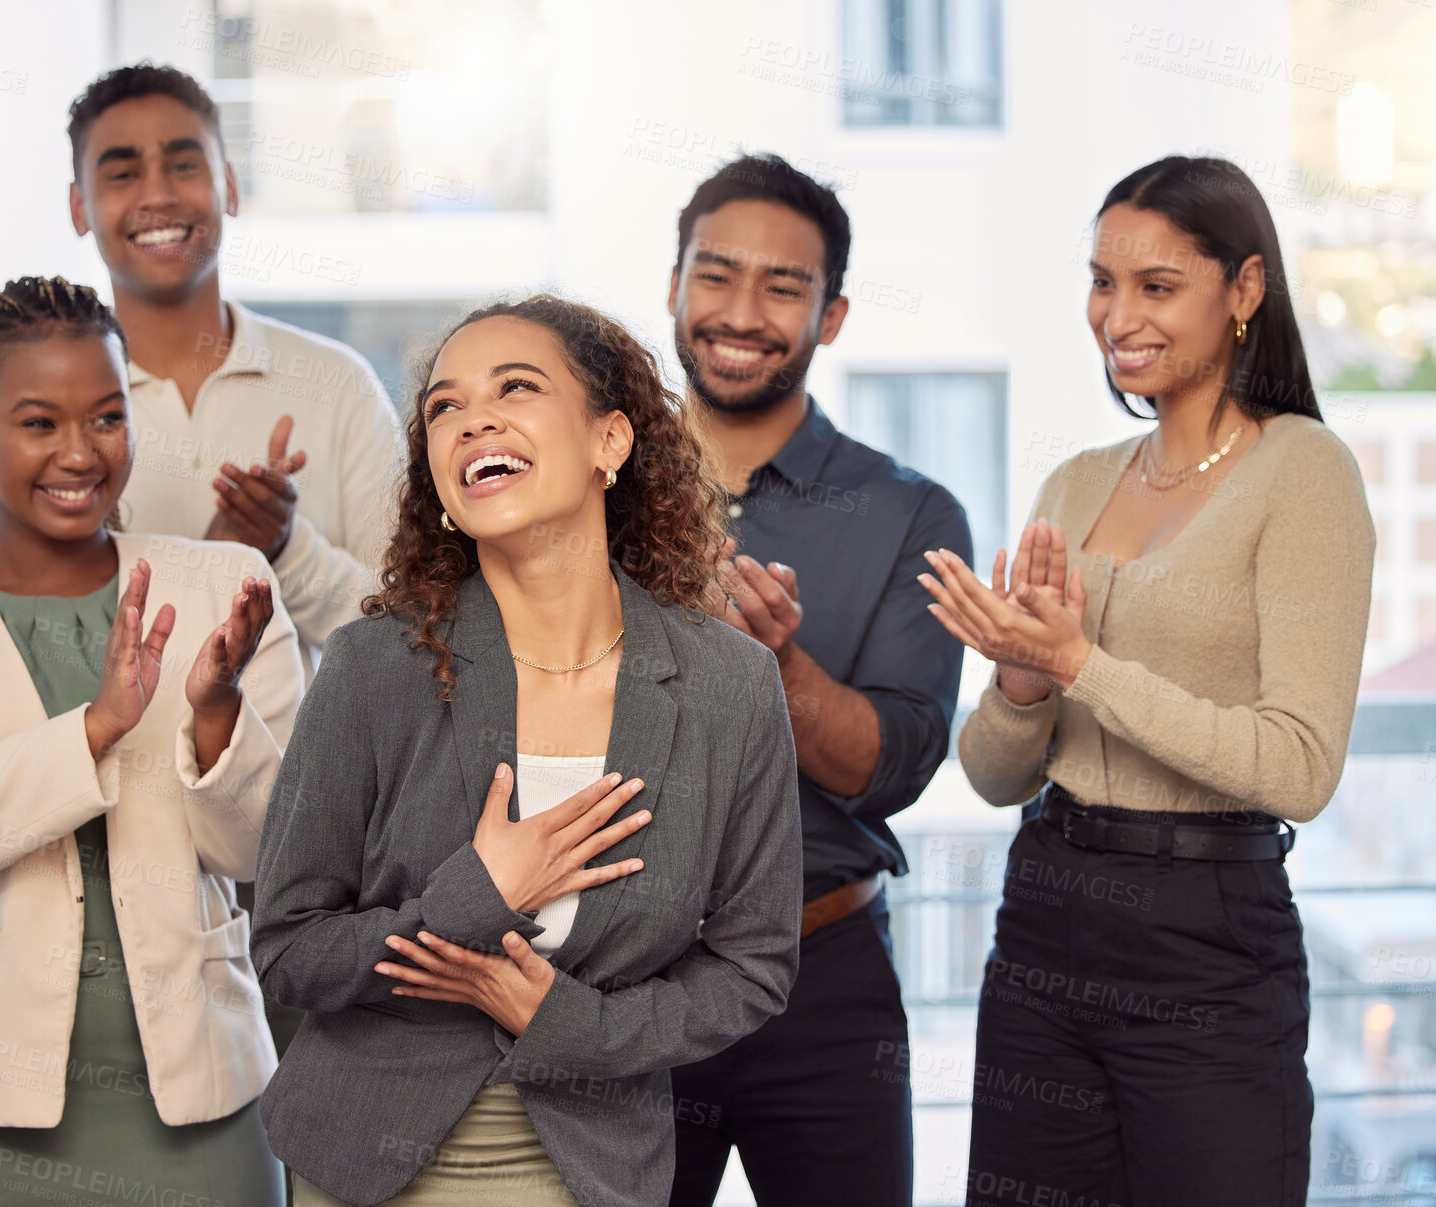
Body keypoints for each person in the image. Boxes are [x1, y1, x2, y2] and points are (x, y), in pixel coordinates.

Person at [250, 295, 805, 1207]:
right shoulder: (371, 667)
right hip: (361, 1158)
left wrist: (572, 1023)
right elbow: (286, 949)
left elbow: (751, 968)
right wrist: (475, 898)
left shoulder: (729, 686)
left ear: (609, 442)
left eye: (516, 387)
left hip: (588, 1163)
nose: (474, 419)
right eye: (443, 407)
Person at [923, 156, 1373, 1207]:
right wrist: (1024, 688)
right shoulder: (1073, 484)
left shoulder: (1301, 472)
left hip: (1207, 938)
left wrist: (1084, 664)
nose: (1116, 315)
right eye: (1101, 281)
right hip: (1044, 911)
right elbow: (994, 777)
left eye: (1156, 286)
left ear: (1244, 290)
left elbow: (1299, 767)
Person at [0, 277, 305, 1207]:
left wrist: (213, 713)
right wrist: (97, 726)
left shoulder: (228, 585)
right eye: (39, 422)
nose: (80, 453)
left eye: (108, 417)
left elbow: (265, 852)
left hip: (197, 1109)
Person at [664, 154, 971, 1207]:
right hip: (620, 979)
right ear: (674, 289)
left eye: (782, 287)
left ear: (830, 316)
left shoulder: (912, 514)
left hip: (823, 976)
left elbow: (890, 766)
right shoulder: (588, 492)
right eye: (715, 275)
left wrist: (778, 667)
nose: (740, 312)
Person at [66, 62, 403, 677]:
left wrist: (287, 548)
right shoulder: (48, 414)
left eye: (184, 164)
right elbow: (27, 645)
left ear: (229, 185)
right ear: (79, 206)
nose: (158, 193)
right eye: (122, 172)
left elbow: (415, 639)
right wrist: (224, 561)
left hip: (307, 778)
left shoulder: (338, 385)